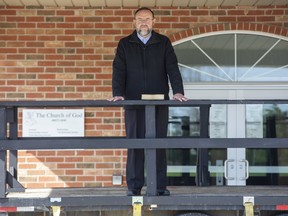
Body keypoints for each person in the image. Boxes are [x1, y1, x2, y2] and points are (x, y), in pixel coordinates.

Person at [108, 7, 187, 196]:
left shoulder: (164, 43)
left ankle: (159, 186)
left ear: (154, 21)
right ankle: (134, 187)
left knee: (158, 144)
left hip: (158, 102)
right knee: (135, 144)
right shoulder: (125, 44)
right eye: (140, 19)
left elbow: (172, 68)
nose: (144, 22)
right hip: (133, 103)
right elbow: (119, 70)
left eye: (147, 19)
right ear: (134, 22)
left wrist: (177, 91)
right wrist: (118, 93)